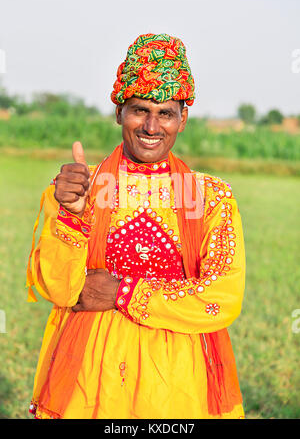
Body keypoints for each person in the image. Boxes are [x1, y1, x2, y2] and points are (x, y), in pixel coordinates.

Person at [26, 33, 246, 419]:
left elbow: (222, 296)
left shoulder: (212, 198)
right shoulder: (77, 187)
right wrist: (74, 214)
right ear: (118, 112)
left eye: (165, 112)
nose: (151, 126)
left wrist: (123, 292)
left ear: (183, 119)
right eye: (139, 110)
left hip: (177, 382)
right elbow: (57, 288)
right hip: (90, 379)